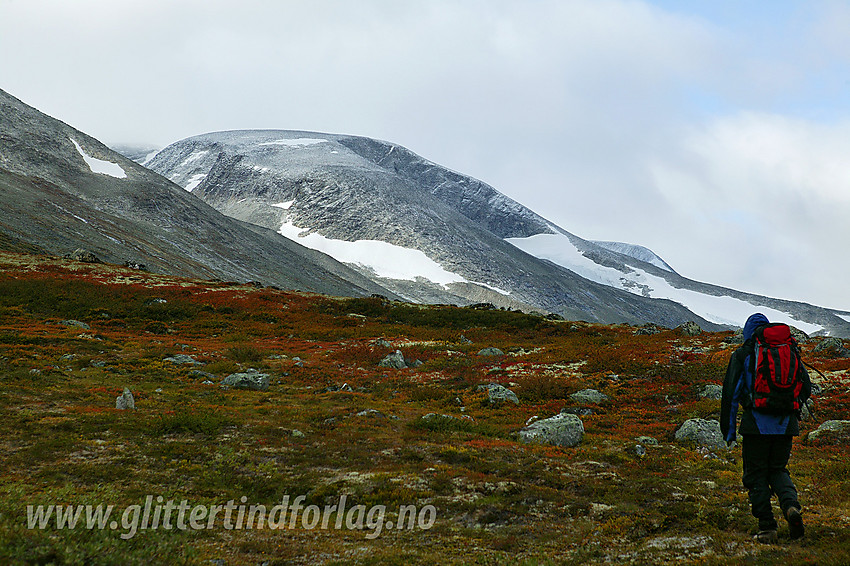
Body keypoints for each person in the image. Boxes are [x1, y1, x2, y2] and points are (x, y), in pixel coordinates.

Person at [720, 313, 811, 544]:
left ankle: (767, 528)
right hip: (786, 424)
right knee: (778, 470)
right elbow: (806, 387)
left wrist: (728, 431)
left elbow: (731, 394)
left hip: (756, 425)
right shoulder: (788, 350)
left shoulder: (744, 354)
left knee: (755, 474)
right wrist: (790, 408)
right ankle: (791, 508)